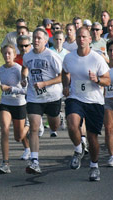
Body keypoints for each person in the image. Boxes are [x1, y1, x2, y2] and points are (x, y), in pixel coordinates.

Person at [62, 27, 110, 181]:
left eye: (84, 37)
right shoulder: (69, 58)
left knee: (92, 138)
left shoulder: (97, 59)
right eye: (79, 37)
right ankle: (78, 149)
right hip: (76, 98)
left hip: (94, 101)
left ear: (90, 39)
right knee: (72, 123)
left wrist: (96, 80)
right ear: (75, 39)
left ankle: (94, 166)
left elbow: (107, 80)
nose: (81, 40)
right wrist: (65, 85)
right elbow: (64, 72)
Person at [22, 28, 63, 174]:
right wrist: (23, 78)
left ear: (46, 41)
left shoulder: (52, 56)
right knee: (34, 127)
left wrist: (45, 84)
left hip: (52, 97)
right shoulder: (28, 56)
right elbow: (25, 68)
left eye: (39, 38)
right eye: (34, 38)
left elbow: (62, 76)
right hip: (34, 97)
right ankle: (34, 161)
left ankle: (59, 117)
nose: (36, 40)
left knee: (54, 125)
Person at [0, 44, 27, 174]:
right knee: (4, 130)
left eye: (9, 53)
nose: (7, 56)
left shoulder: (19, 69)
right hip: (5, 104)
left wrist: (11, 89)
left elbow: (26, 90)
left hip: (19, 104)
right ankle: (5, 163)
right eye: (5, 53)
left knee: (19, 136)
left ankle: (29, 126)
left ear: (14, 55)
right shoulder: (0, 70)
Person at [15, 35, 44, 160]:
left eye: (26, 46)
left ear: (30, 45)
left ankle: (39, 122)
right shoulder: (15, 59)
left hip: (35, 95)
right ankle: (27, 149)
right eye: (21, 46)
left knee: (29, 124)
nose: (23, 48)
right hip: (19, 95)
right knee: (20, 127)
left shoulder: (36, 57)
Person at [104, 40, 113, 167]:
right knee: (108, 129)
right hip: (107, 100)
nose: (112, 53)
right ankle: (112, 155)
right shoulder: (103, 67)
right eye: (110, 50)